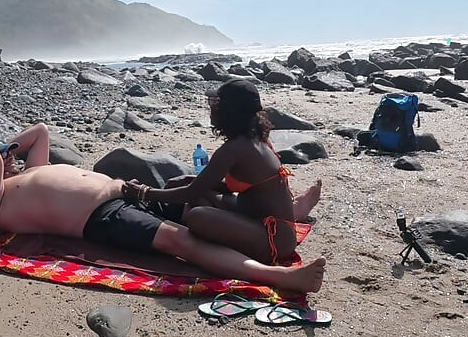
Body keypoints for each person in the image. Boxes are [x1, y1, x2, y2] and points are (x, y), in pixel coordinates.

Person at [0, 122, 326, 293]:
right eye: (3, 155)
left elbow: (42, 132)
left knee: (195, 202)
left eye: (11, 153)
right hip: (100, 217)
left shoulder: (33, 169)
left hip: (126, 194)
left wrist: (8, 147)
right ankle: (276, 275)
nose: (10, 158)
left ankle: (283, 216)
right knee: (180, 240)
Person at [123, 79, 321, 266]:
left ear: (228, 111)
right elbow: (216, 186)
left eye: (215, 104)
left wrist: (143, 192)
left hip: (273, 241)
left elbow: (191, 193)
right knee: (199, 195)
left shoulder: (235, 149)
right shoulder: (256, 139)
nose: (211, 109)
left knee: (197, 215)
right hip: (263, 222)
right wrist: (188, 180)